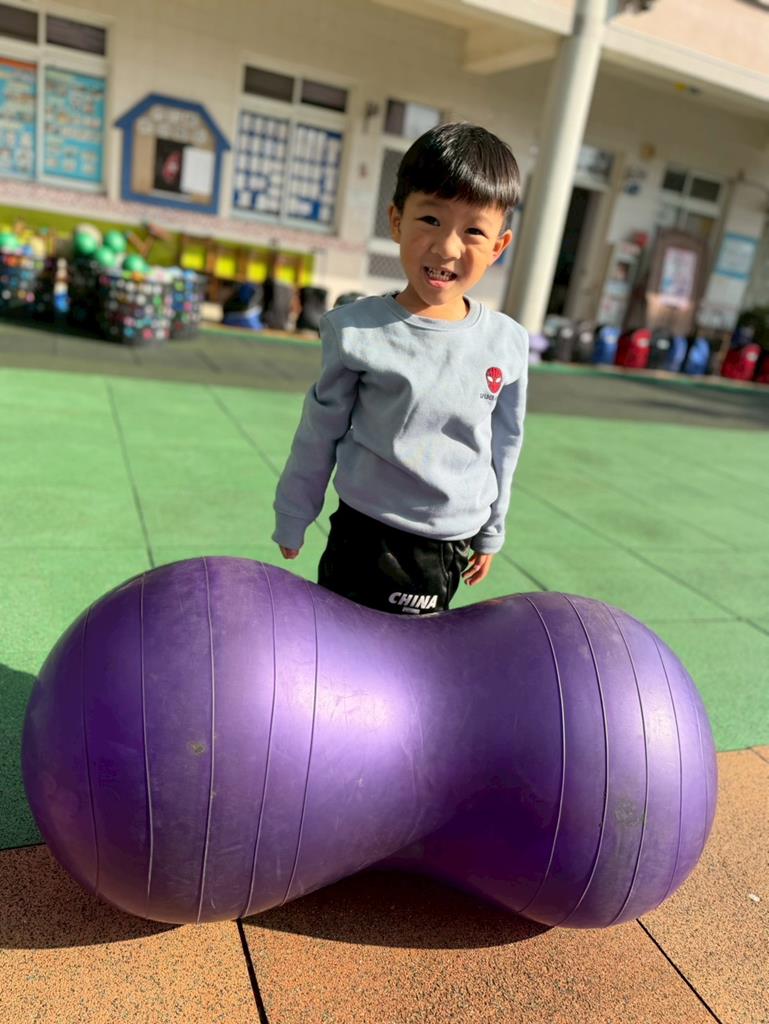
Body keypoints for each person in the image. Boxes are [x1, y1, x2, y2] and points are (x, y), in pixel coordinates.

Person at [272, 121, 528, 615]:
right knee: (342, 640)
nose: (447, 247)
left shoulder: (507, 343)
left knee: (419, 650)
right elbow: (319, 429)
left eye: (474, 230)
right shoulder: (356, 330)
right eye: (430, 219)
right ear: (396, 220)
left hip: (446, 544)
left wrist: (491, 530)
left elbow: (505, 443)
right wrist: (294, 513)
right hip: (363, 531)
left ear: (498, 246)